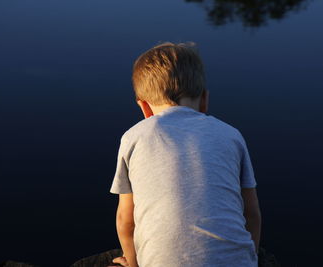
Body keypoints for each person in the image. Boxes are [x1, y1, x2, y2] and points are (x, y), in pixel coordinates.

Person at [109, 42, 261, 267]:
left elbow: (126, 220)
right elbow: (251, 214)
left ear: (144, 109)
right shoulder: (231, 135)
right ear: (204, 100)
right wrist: (252, 257)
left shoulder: (134, 137)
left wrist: (132, 262)